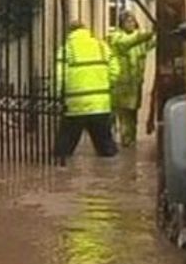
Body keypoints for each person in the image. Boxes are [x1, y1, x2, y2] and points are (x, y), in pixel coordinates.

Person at [54, 20, 119, 162]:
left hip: (76, 103)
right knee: (105, 145)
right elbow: (115, 70)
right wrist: (105, 85)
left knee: (64, 146)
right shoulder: (102, 46)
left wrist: (57, 94)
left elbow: (60, 76)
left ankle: (61, 159)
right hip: (100, 103)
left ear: (70, 33)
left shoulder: (67, 48)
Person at [108, 10, 155, 147]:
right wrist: (147, 34)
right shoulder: (116, 37)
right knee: (123, 113)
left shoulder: (141, 40)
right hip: (121, 84)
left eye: (133, 21)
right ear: (121, 24)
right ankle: (124, 139)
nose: (131, 24)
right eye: (127, 21)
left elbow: (153, 42)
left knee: (133, 112)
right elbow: (128, 42)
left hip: (136, 84)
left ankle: (131, 139)